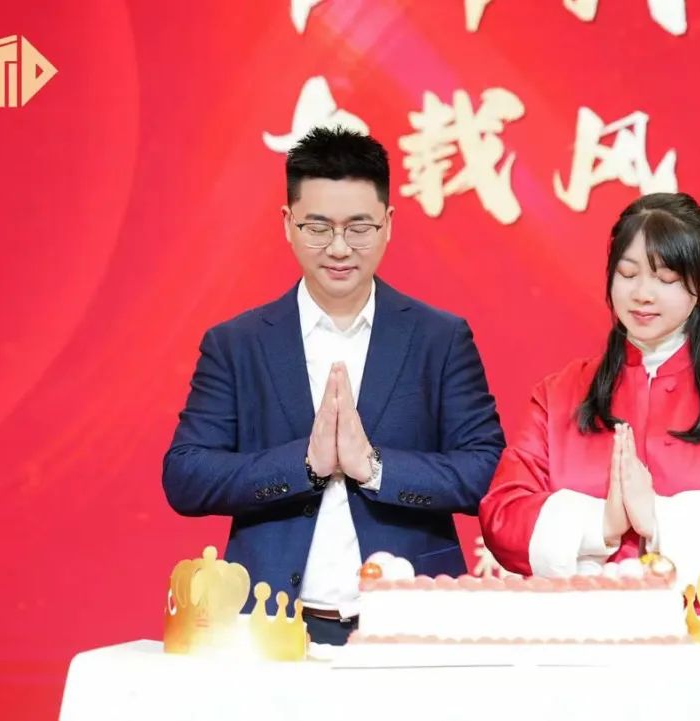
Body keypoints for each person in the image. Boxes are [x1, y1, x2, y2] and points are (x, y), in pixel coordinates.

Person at [163, 127, 505, 645]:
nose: (340, 248)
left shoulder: (439, 338)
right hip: (271, 630)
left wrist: (375, 468)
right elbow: (186, 475)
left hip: (413, 626)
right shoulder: (237, 343)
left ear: (388, 224)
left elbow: (487, 470)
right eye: (318, 227)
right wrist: (305, 464)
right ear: (288, 223)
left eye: (359, 227)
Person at [479, 192, 700, 588]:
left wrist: (658, 518)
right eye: (627, 274)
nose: (642, 293)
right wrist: (600, 524)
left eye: (666, 278)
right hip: (584, 622)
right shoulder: (560, 394)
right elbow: (503, 512)